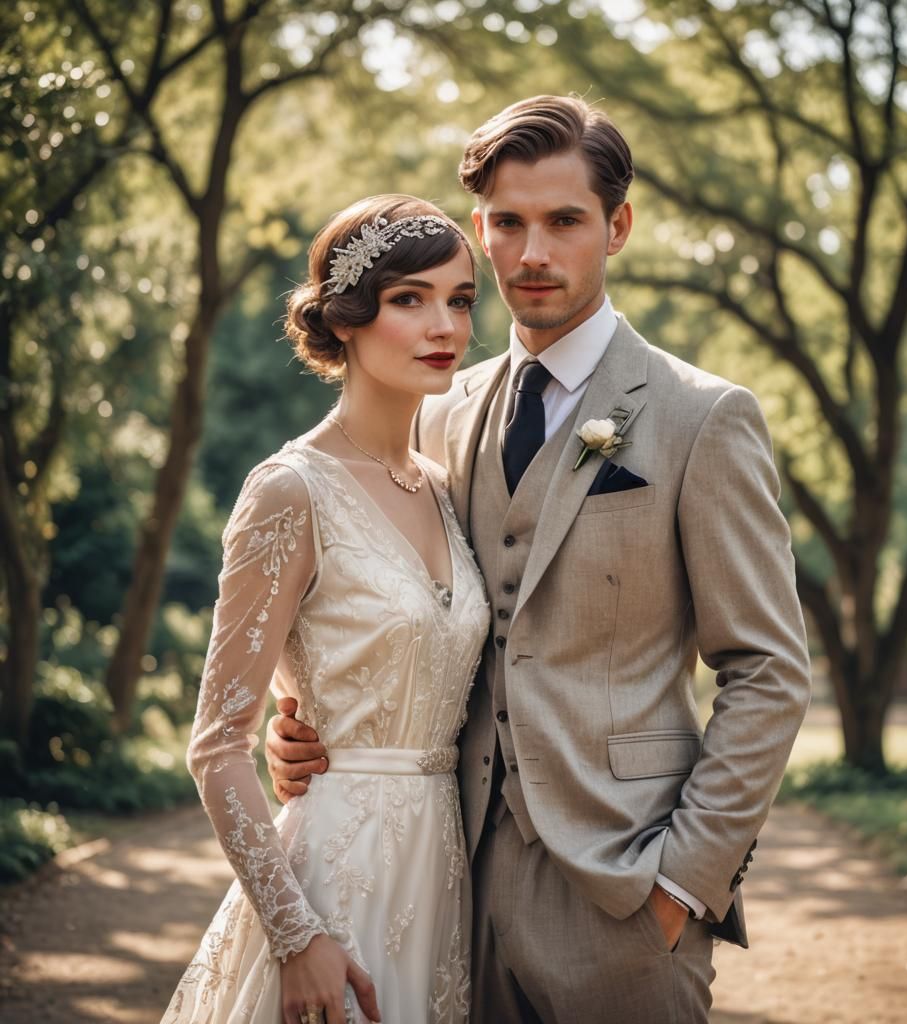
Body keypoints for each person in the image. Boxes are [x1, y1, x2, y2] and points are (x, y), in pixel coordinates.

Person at [268, 96, 812, 1023]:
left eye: (564, 222)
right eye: (508, 224)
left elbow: (767, 670)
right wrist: (304, 726)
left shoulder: (702, 417)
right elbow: (387, 603)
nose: (532, 254)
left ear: (618, 226)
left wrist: (684, 886)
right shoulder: (436, 409)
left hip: (626, 895)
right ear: (480, 230)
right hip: (445, 885)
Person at [162, 194, 491, 1024]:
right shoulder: (289, 489)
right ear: (346, 318)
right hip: (332, 883)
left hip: (443, 868)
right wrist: (295, 934)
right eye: (409, 299)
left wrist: (297, 704)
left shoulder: (446, 487)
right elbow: (215, 747)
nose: (443, 325)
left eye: (458, 299)